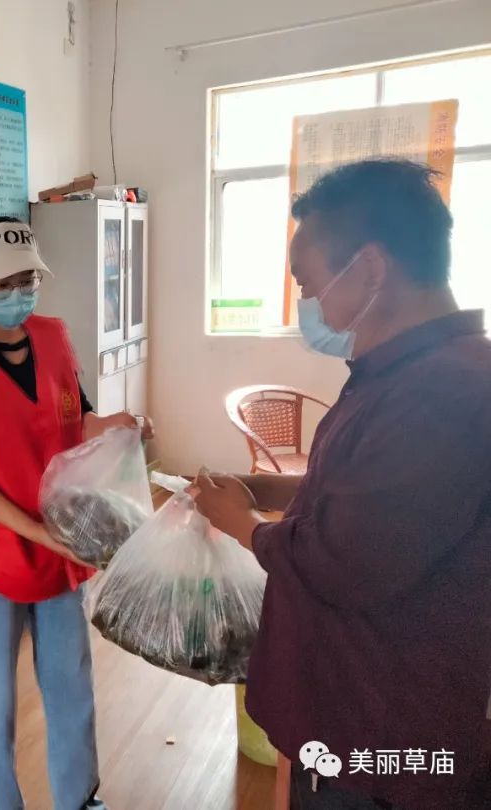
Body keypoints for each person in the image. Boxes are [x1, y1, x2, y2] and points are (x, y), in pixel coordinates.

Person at [193, 159, 491, 809]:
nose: (309, 303)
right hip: (358, 718)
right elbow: (365, 497)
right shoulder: (405, 375)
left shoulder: (441, 392)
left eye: (308, 282)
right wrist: (259, 488)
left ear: (371, 269)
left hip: (381, 744)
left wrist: (241, 522)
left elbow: (342, 562)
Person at [0, 217, 151, 810]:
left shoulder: (54, 336)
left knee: (71, 682)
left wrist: (113, 426)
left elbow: (77, 418)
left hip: (62, 541)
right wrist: (36, 532)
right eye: (2, 283)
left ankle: (81, 797)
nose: (17, 293)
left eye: (27, 280)